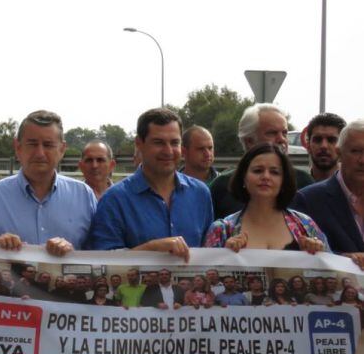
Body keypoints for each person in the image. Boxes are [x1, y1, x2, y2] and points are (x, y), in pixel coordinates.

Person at [88, 108, 213, 260]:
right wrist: (150, 249)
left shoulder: (201, 194)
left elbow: (210, 252)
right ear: (139, 143)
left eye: (174, 143)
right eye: (158, 142)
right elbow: (103, 262)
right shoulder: (114, 200)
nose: (168, 151)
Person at [0, 110, 97, 255]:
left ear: (62, 149)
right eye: (32, 144)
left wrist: (73, 255)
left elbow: (99, 253)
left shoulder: (84, 196)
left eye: (48, 145)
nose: (40, 153)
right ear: (18, 147)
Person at [204, 143, 328, 253]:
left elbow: (333, 272)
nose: (266, 176)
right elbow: (205, 275)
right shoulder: (222, 230)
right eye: (258, 171)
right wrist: (224, 255)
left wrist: (319, 252)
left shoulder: (306, 226)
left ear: (284, 181)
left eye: (274, 172)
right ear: (243, 177)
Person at [210, 103, 314, 219]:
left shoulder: (304, 182)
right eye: (272, 133)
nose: (282, 139)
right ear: (249, 141)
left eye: (284, 133)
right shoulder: (222, 186)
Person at [293, 119, 364, 266]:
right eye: (356, 151)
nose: (362, 160)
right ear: (339, 153)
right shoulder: (308, 200)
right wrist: (345, 262)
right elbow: (296, 257)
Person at [304, 113, 346, 182]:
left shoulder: (354, 186)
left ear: (342, 146)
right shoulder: (294, 185)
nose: (324, 146)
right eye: (317, 139)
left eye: (331, 140)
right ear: (308, 145)